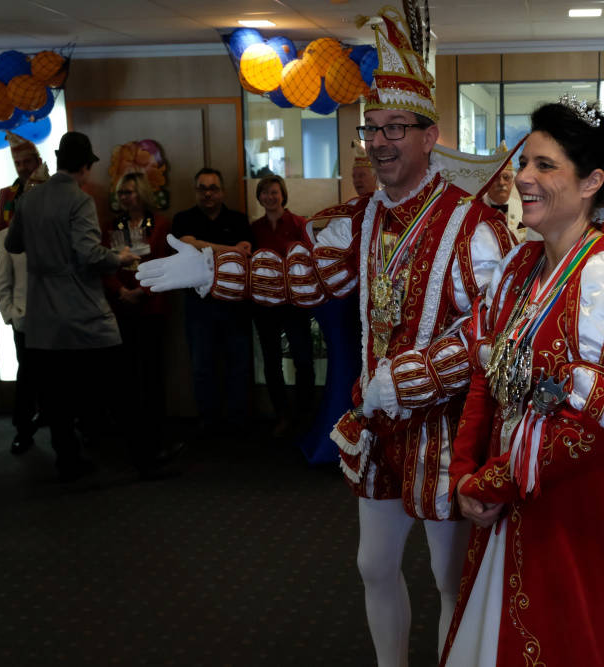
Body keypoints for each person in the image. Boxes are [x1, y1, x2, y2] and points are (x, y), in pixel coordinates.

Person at [137, 7, 516, 665]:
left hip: (448, 431)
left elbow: (491, 333)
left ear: (430, 136)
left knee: (451, 578)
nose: (380, 141)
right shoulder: (361, 219)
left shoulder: (473, 226)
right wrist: (211, 268)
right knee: (373, 565)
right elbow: (301, 277)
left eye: (396, 127)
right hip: (378, 425)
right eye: (372, 127)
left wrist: (411, 378)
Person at [439, 98, 604, 666]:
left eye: (545, 165)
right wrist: (463, 475)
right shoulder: (518, 267)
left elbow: (591, 425)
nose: (524, 177)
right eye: (525, 162)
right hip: (503, 495)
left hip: (573, 508)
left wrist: (489, 484)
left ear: (591, 182)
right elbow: (485, 377)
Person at [5, 132, 177, 482]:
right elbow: (89, 254)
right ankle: (145, 459)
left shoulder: (29, 199)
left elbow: (14, 244)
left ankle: (67, 461)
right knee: (121, 386)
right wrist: (119, 257)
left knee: (57, 395)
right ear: (85, 166)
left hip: (42, 313)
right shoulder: (79, 199)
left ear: (57, 159)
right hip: (82, 310)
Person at [102, 172, 178, 463]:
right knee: (127, 377)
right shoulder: (113, 226)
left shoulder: (159, 224)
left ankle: (156, 438)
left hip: (150, 308)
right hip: (122, 308)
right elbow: (105, 265)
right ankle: (132, 440)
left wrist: (141, 291)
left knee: (152, 375)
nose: (124, 197)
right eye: (121, 193)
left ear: (142, 193)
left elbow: (165, 264)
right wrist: (120, 290)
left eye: (130, 192)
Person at [171, 167, 254, 430]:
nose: (208, 194)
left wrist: (203, 246)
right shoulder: (183, 219)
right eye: (202, 188)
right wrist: (229, 249)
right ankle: (209, 422)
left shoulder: (238, 220)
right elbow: (187, 244)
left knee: (238, 365)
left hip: (234, 305)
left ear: (222, 192)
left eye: (213, 188)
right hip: (199, 304)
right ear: (196, 191)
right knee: (202, 366)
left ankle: (238, 422)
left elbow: (245, 255)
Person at [249, 175, 314, 436]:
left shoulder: (299, 223)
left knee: (304, 361)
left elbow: (311, 258)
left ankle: (305, 416)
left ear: (282, 194)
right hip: (265, 305)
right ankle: (282, 416)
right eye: (265, 193)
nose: (270, 197)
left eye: (274, 192)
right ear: (259, 197)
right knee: (272, 362)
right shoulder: (254, 228)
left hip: (294, 303)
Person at [0, 165, 50, 455]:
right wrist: (11, 315)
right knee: (27, 378)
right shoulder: (7, 236)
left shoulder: (59, 231)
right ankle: (23, 430)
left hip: (57, 318)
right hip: (25, 320)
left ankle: (61, 427)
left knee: (59, 377)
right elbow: (2, 282)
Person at [0, 133, 44, 247]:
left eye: (27, 161)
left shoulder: (53, 189)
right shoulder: (6, 194)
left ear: (39, 161)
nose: (22, 168)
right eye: (18, 164)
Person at [481, 143, 524, 242]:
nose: (501, 183)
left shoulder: (523, 209)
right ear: (488, 182)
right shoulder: (476, 208)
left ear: (512, 182)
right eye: (496, 178)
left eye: (506, 177)